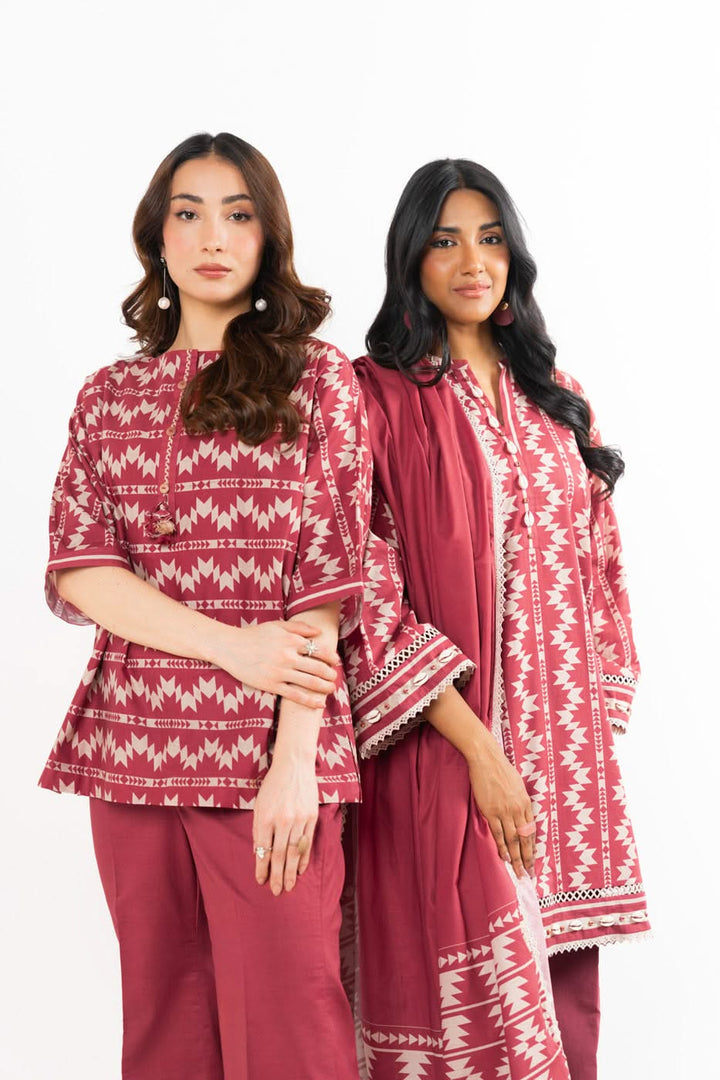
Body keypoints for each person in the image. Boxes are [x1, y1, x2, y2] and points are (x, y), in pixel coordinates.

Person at [39, 133, 472, 1080]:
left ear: (268, 237)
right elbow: (81, 568)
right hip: (131, 749)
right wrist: (230, 647)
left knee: (289, 1030)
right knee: (163, 1026)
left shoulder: (316, 379)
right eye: (188, 213)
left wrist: (292, 764)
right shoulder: (107, 396)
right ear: (156, 239)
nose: (212, 237)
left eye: (238, 215)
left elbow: (329, 576)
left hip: (271, 753)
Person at [352, 159, 650, 1080]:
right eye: (444, 241)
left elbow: (602, 568)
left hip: (567, 760)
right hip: (451, 748)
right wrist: (482, 752)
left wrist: (592, 725)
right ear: (411, 259)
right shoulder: (377, 400)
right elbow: (366, 591)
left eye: (489, 238)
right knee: (475, 1014)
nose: (472, 261)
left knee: (568, 1008)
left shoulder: (555, 394)